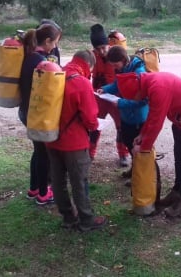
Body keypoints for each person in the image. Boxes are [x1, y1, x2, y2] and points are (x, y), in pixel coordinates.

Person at [116, 71, 181, 217]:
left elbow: (157, 122)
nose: (136, 100)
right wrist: (142, 135)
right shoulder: (149, 84)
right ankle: (176, 192)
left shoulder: (158, 88)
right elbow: (152, 115)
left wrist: (144, 148)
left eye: (134, 97)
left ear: (138, 90)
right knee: (179, 158)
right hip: (180, 119)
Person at [46, 50, 108, 232]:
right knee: (79, 181)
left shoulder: (55, 75)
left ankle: (67, 217)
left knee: (57, 180)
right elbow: (90, 119)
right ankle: (86, 219)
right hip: (74, 142)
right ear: (88, 65)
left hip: (51, 138)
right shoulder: (81, 82)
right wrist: (96, 124)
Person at [18, 24, 62, 205]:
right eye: (55, 43)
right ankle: (44, 193)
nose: (55, 47)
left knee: (38, 151)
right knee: (44, 153)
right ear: (47, 41)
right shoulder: (41, 62)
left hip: (26, 111)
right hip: (35, 113)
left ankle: (34, 188)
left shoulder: (30, 56)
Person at [96, 45, 148, 184]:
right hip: (126, 116)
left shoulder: (139, 72)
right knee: (128, 143)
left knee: (138, 148)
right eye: (111, 65)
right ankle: (134, 170)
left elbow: (143, 101)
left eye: (115, 64)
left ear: (124, 59)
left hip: (137, 117)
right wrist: (104, 89)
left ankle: (140, 178)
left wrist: (121, 104)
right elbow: (117, 85)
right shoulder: (123, 68)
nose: (114, 68)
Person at [89, 24, 130, 167]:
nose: (101, 51)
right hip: (99, 96)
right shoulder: (92, 56)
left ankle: (123, 154)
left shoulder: (117, 54)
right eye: (97, 49)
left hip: (115, 97)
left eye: (103, 47)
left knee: (121, 126)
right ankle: (90, 153)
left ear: (108, 44)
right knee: (95, 125)